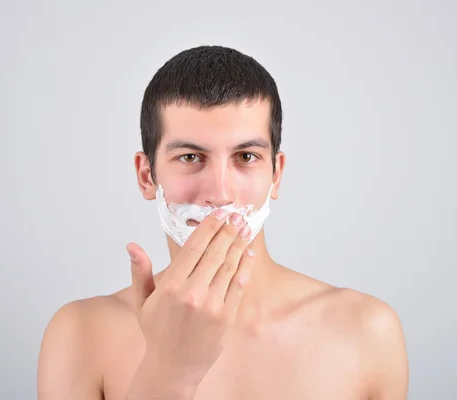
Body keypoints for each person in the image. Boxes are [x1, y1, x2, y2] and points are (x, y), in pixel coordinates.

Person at [37, 45, 409, 400]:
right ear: (147, 176)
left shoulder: (366, 331)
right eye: (189, 157)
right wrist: (169, 368)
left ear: (276, 175)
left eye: (246, 156)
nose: (220, 193)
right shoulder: (80, 335)